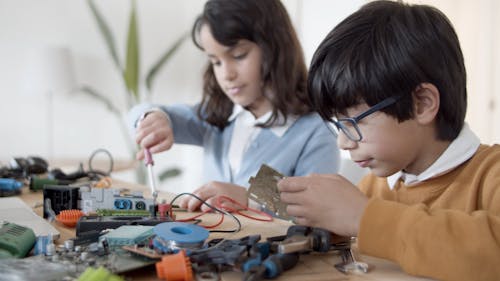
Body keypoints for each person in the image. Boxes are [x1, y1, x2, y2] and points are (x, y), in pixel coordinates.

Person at [277, 1, 500, 280]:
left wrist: (364, 218)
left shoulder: (491, 176)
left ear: (421, 104)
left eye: (353, 123)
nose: (343, 143)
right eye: (337, 125)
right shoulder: (376, 186)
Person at [129, 0, 340, 212]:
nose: (227, 75)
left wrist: (248, 196)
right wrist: (153, 118)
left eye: (239, 56)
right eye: (216, 62)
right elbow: (138, 113)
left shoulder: (315, 132)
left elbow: (319, 209)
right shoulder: (217, 115)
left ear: (274, 48)